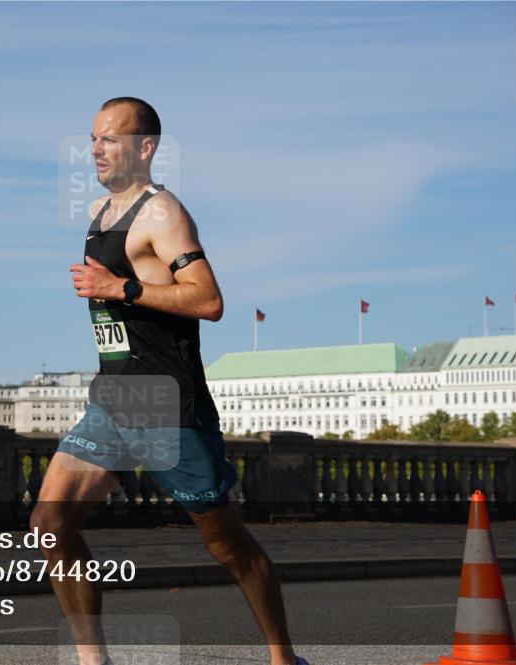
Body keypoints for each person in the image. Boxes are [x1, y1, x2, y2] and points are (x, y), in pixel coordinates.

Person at [30, 98, 308, 665]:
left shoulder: (163, 214)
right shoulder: (100, 212)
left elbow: (208, 300)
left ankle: (284, 658)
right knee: (48, 523)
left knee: (226, 545)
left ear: (145, 147)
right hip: (113, 400)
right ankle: (93, 660)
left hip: (168, 406)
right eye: (93, 138)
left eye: (110, 139)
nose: (96, 149)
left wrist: (121, 290)